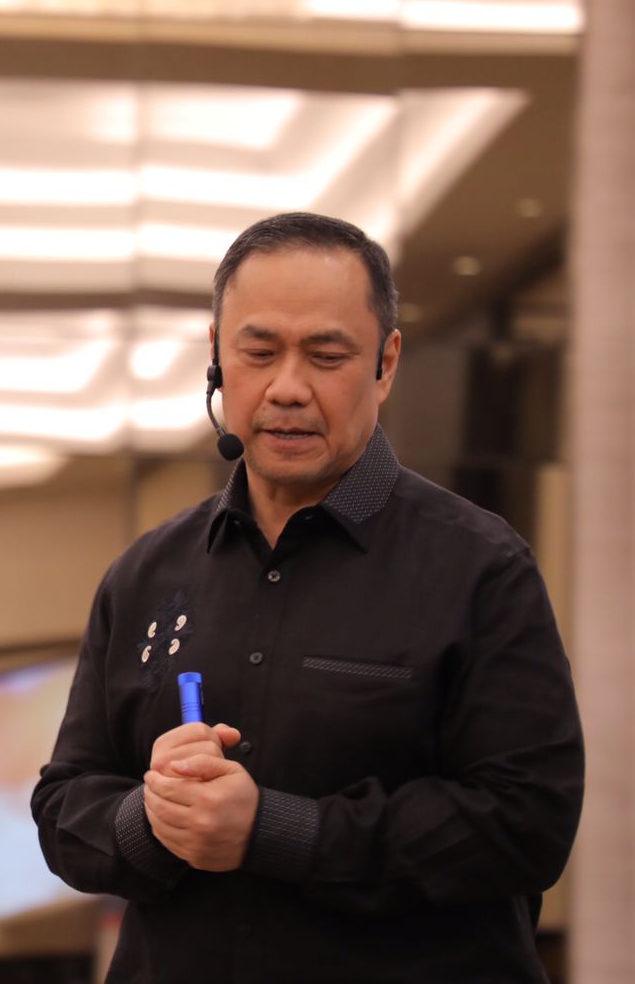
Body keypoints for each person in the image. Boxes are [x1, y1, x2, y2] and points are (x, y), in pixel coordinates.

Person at [30, 212, 584, 983]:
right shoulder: (147, 573)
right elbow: (64, 808)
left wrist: (273, 829)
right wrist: (150, 817)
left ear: (386, 363)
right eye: (258, 352)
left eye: (327, 356)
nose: (288, 388)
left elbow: (527, 825)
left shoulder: (480, 568)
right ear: (217, 357)